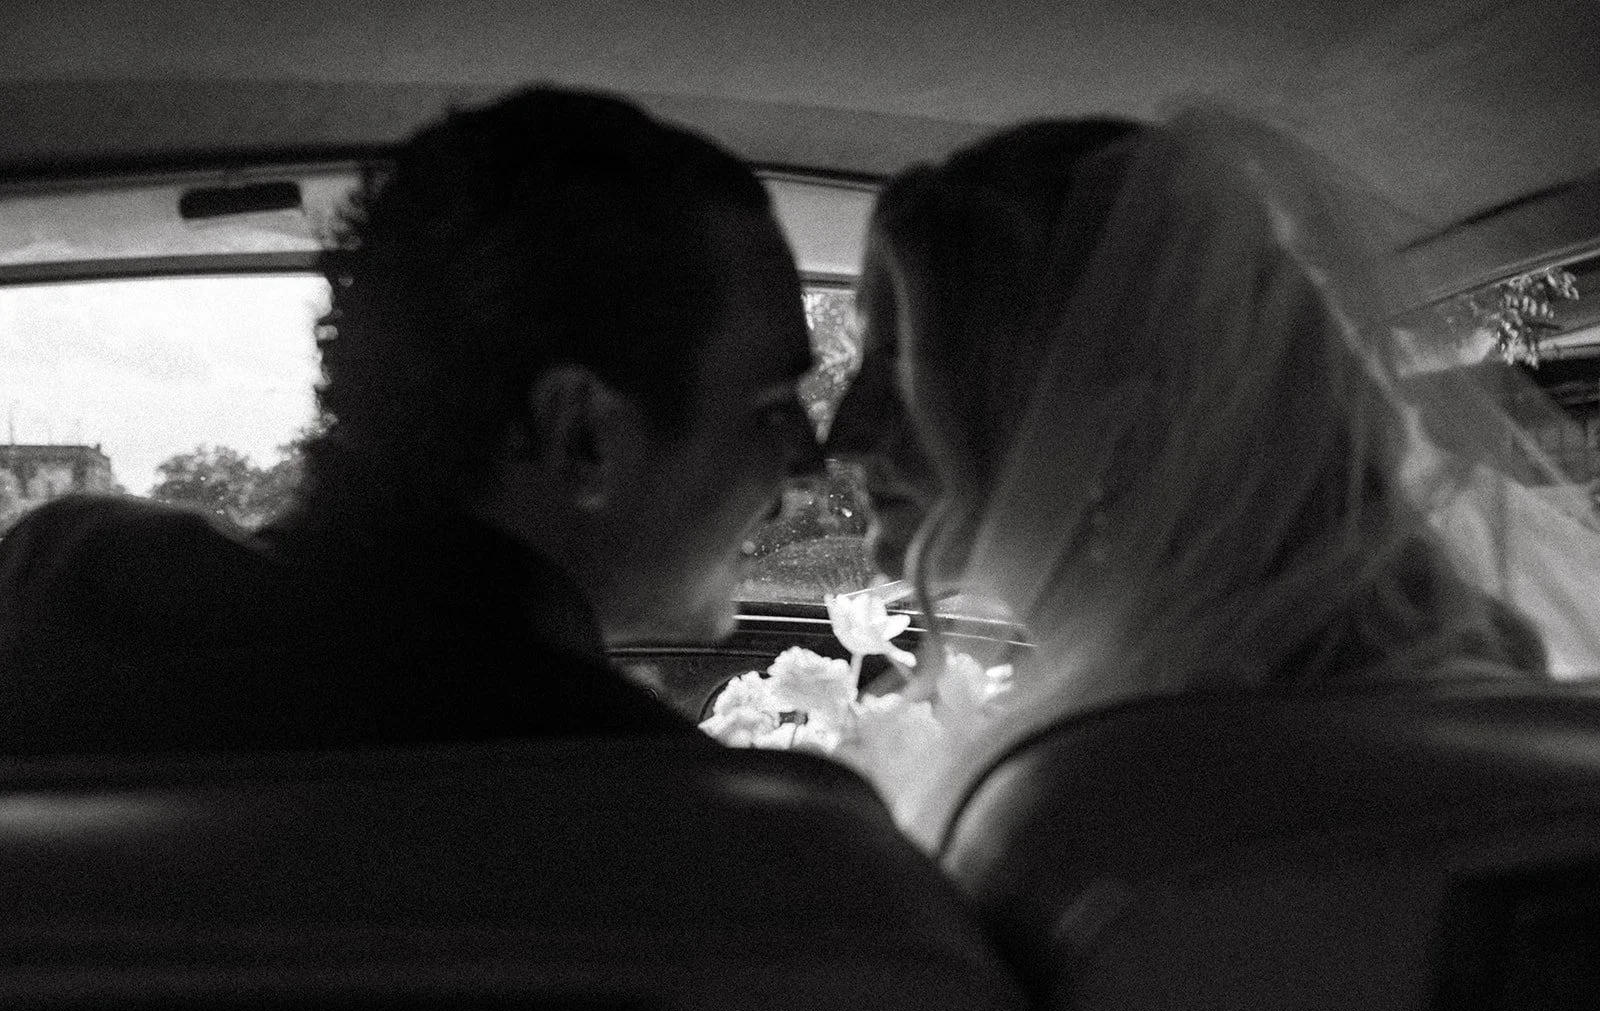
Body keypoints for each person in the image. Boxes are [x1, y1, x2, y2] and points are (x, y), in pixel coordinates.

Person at [830, 108, 1600, 841]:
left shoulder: (1087, 801)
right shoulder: (1527, 725)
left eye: (903, 374)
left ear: (1119, 440)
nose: (842, 436)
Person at [0, 86, 823, 755]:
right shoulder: (694, 824)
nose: (811, 462)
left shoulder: (56, 585)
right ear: (582, 436)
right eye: (773, 409)